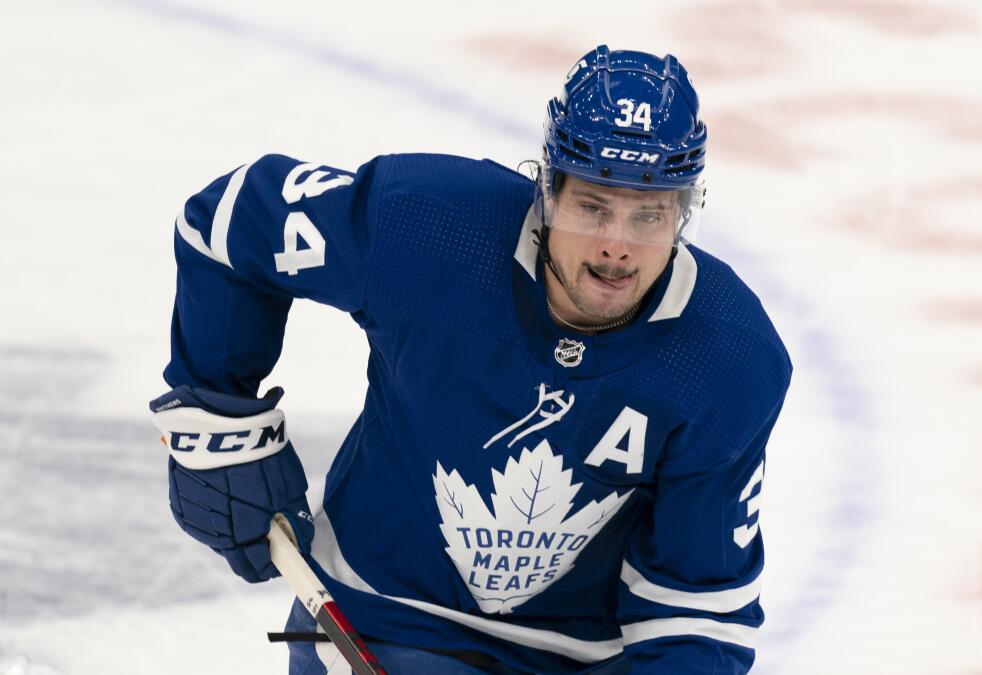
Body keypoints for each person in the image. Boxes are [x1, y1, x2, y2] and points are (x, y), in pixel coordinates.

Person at [150, 45, 792, 674]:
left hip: (575, 660)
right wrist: (219, 421)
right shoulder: (427, 229)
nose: (616, 247)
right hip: (380, 616)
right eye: (592, 206)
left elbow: (695, 617)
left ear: (683, 214)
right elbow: (230, 223)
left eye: (648, 216)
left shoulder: (727, 359)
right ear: (548, 192)